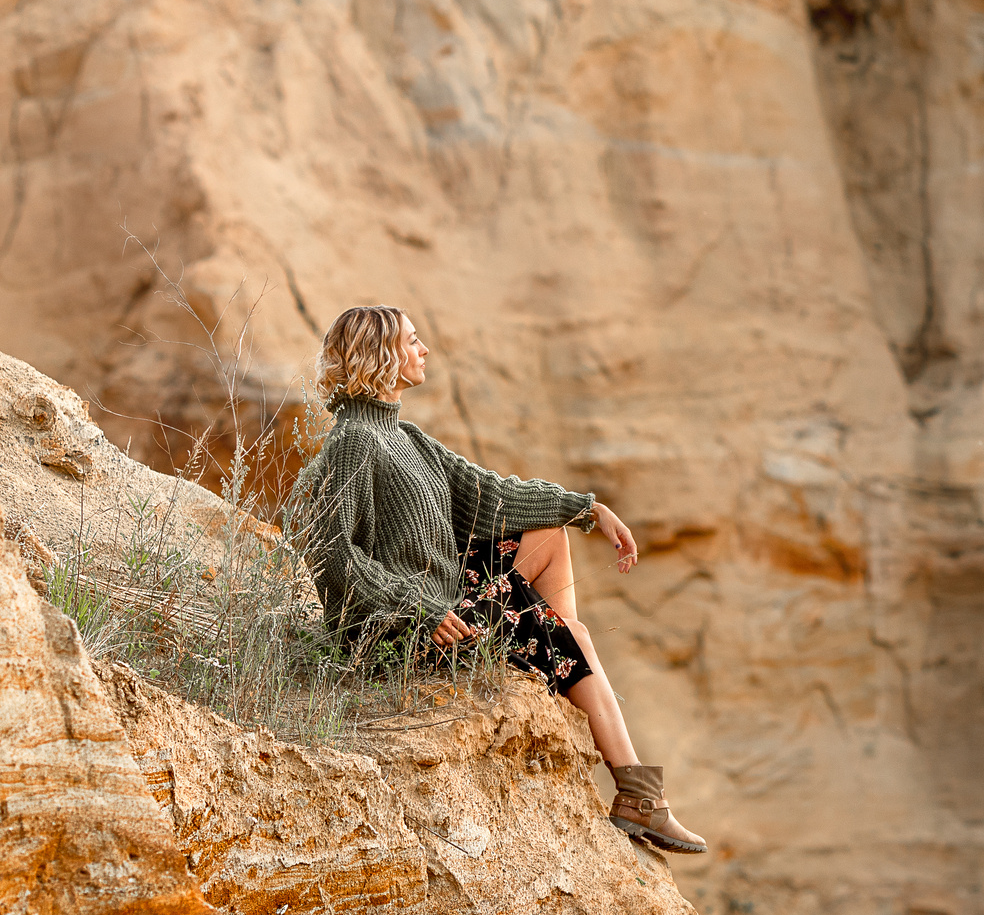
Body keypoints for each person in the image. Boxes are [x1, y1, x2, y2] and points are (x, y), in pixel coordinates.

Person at [288, 303, 705, 853]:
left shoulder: (403, 436)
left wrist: (587, 510)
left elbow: (491, 496)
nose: (424, 350)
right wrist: (420, 608)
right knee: (574, 638)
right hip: (410, 629)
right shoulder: (354, 442)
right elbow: (330, 551)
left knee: (549, 537)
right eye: (413, 341)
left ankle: (560, 668)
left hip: (441, 598)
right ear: (383, 355)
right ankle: (639, 795)